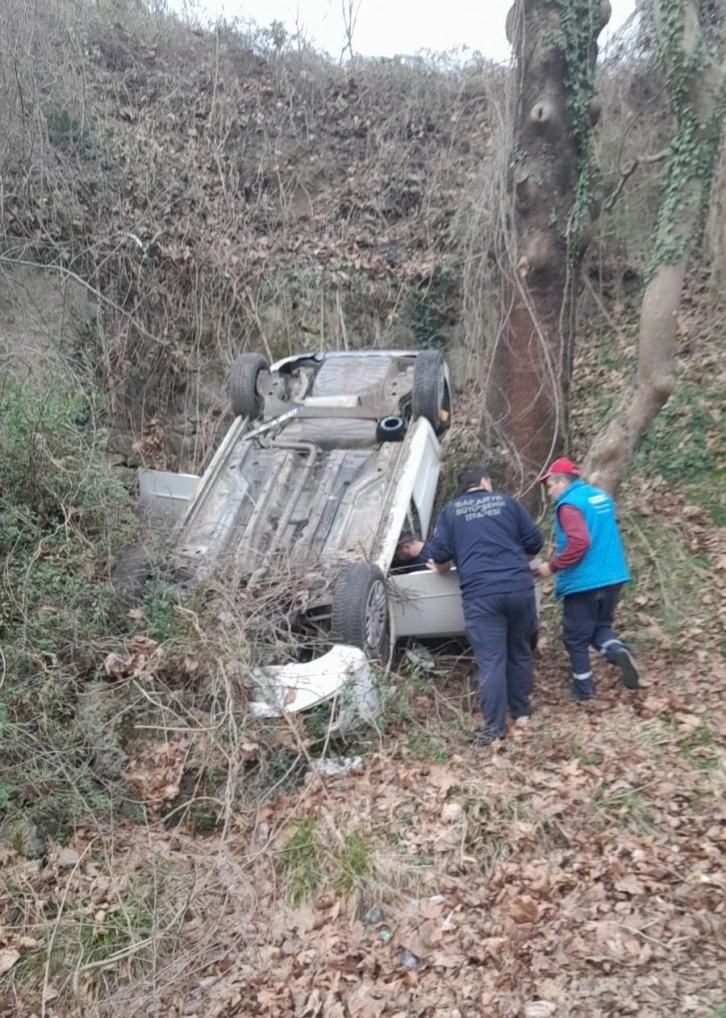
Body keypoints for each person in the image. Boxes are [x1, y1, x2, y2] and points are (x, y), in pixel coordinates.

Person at [400, 464, 543, 746]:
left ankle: (494, 729)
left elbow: (440, 558)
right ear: (485, 483)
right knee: (519, 649)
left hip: (482, 594)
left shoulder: (451, 512)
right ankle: (522, 711)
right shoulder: (508, 503)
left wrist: (441, 565)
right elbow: (535, 544)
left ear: (463, 489)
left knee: (491, 659)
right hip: (518, 587)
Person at [533, 457, 640, 701]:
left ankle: (583, 690)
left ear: (561, 481)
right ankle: (618, 651)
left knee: (574, 637)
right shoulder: (600, 497)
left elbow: (580, 541)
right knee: (599, 628)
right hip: (614, 577)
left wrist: (552, 566)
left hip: (585, 582)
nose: (549, 492)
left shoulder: (569, 504)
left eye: (550, 485)